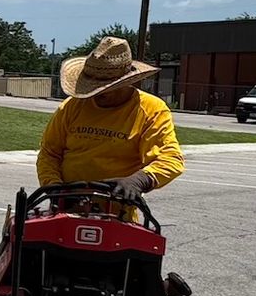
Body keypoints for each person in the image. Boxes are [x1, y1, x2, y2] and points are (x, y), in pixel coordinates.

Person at [37, 36, 183, 214]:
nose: (95, 93)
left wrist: (138, 180)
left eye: (104, 88)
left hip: (117, 214)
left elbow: (170, 158)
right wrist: (54, 188)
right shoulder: (72, 106)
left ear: (125, 82)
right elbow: (49, 153)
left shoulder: (151, 110)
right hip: (66, 208)